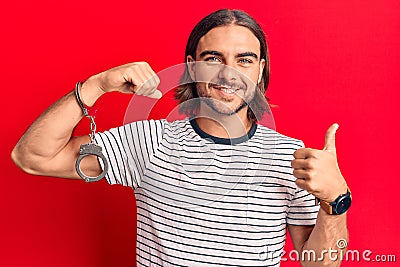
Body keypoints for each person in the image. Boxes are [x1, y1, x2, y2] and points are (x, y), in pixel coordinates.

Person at [12, 9, 350, 266]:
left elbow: (319, 262)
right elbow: (32, 157)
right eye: (212, 59)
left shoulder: (291, 155)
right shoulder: (149, 142)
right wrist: (96, 85)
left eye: (244, 60)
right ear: (191, 67)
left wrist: (336, 201)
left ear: (260, 68)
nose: (227, 73)